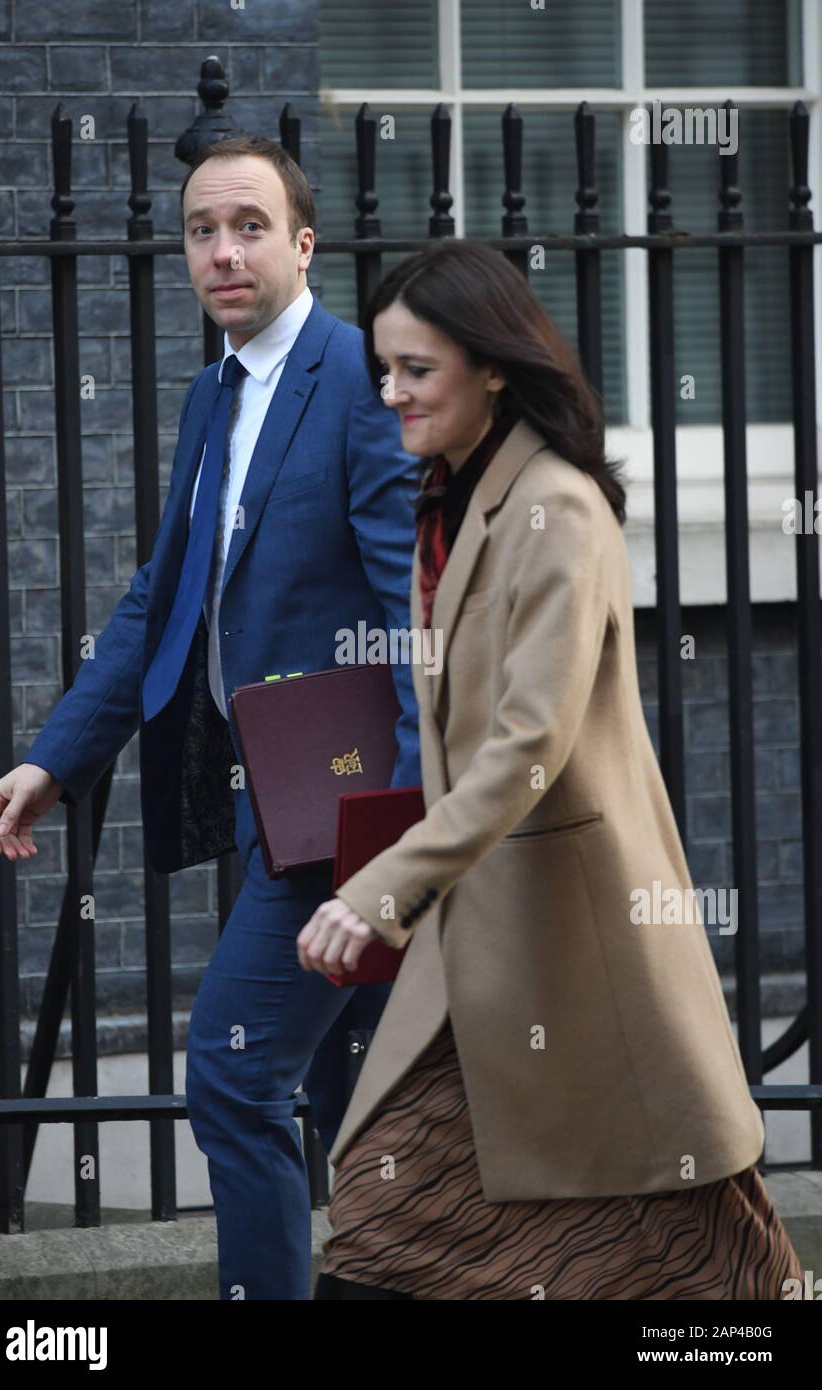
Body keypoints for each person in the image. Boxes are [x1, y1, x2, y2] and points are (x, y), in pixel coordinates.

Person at [297, 239, 804, 1301]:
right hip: (478, 956)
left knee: (695, 1257)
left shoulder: (556, 510)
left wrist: (384, 883)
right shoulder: (447, 499)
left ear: (490, 364)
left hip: (570, 953)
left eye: (415, 370)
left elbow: (530, 741)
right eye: (380, 371)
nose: (389, 393)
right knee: (380, 1238)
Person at [0, 135, 422, 1301]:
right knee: (361, 1104)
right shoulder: (214, 393)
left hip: (353, 815)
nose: (222, 251)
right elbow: (162, 599)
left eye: (249, 227)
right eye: (200, 232)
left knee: (229, 1072)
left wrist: (407, 840)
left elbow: (416, 619)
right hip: (274, 803)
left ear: (303, 243)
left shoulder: (356, 387)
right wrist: (55, 759)